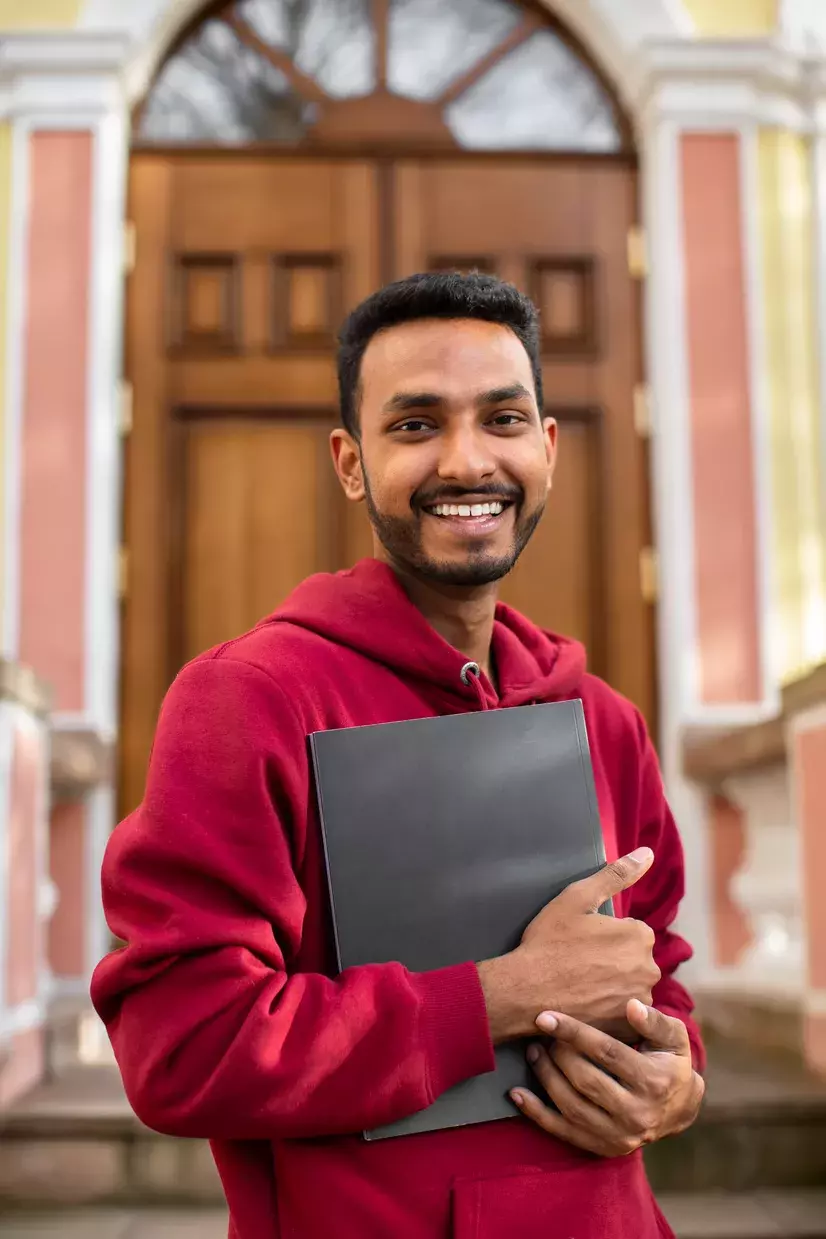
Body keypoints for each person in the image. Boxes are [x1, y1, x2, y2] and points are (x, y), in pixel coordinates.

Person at [92, 272, 704, 1239]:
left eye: (502, 418)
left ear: (546, 448)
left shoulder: (603, 719)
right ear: (349, 461)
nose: (468, 461)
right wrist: (499, 996)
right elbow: (183, 1044)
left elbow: (655, 968)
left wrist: (676, 1080)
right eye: (416, 425)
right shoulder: (248, 700)